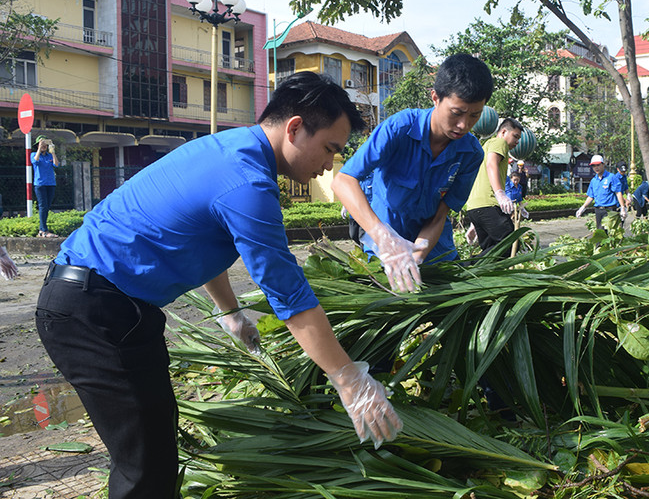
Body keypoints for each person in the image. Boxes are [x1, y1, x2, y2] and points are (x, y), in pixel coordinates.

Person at [35, 72, 402, 499]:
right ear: (296, 127)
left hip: (105, 306)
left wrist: (230, 311)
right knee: (145, 468)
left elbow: (200, 239)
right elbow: (290, 296)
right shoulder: (247, 181)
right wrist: (348, 379)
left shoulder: (230, 150)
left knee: (152, 449)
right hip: (94, 311)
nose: (328, 165)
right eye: (329, 149)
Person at [333, 53, 494, 291]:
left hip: (433, 245)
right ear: (435, 98)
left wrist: (416, 256)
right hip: (386, 241)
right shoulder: (399, 129)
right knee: (387, 309)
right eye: (457, 113)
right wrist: (384, 239)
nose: (464, 125)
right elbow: (344, 180)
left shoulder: (470, 154)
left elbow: (440, 215)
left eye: (474, 115)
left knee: (450, 309)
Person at [464, 118, 523, 252]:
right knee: (510, 244)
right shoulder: (499, 142)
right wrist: (500, 194)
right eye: (515, 136)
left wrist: (475, 223)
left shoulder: (486, 146)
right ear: (503, 132)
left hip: (475, 208)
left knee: (491, 252)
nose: (517, 141)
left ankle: (474, 271)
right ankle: (466, 269)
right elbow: (492, 164)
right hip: (488, 205)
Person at [575, 155, 626, 229]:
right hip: (598, 210)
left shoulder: (611, 177)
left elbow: (618, 193)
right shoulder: (593, 180)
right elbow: (590, 196)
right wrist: (582, 208)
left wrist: (622, 208)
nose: (596, 168)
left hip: (610, 210)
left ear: (603, 164)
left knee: (610, 232)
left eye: (598, 165)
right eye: (593, 166)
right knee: (600, 232)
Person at [31, 135, 60, 238]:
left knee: (46, 207)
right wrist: (39, 148)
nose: (44, 146)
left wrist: (53, 152)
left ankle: (41, 230)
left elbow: (56, 164)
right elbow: (35, 161)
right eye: (42, 144)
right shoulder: (34, 154)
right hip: (40, 184)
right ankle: (44, 230)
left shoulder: (49, 156)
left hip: (51, 184)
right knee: (43, 206)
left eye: (45, 145)